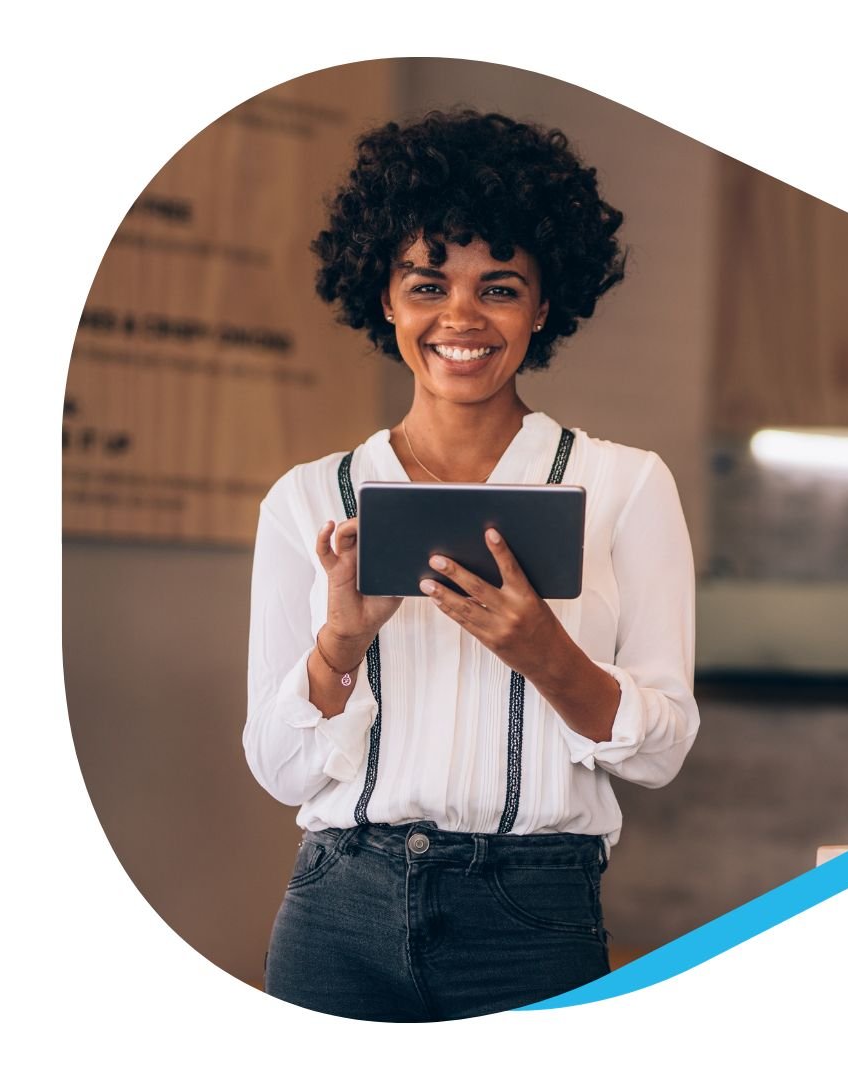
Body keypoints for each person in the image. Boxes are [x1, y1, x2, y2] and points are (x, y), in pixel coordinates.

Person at [242, 110, 701, 1022]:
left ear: (542, 304)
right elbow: (280, 767)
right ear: (384, 296)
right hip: (339, 909)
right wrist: (339, 644)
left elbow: (664, 749)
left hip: (534, 917)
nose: (460, 318)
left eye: (499, 288)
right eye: (426, 284)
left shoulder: (625, 487)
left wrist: (548, 656)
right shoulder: (307, 498)